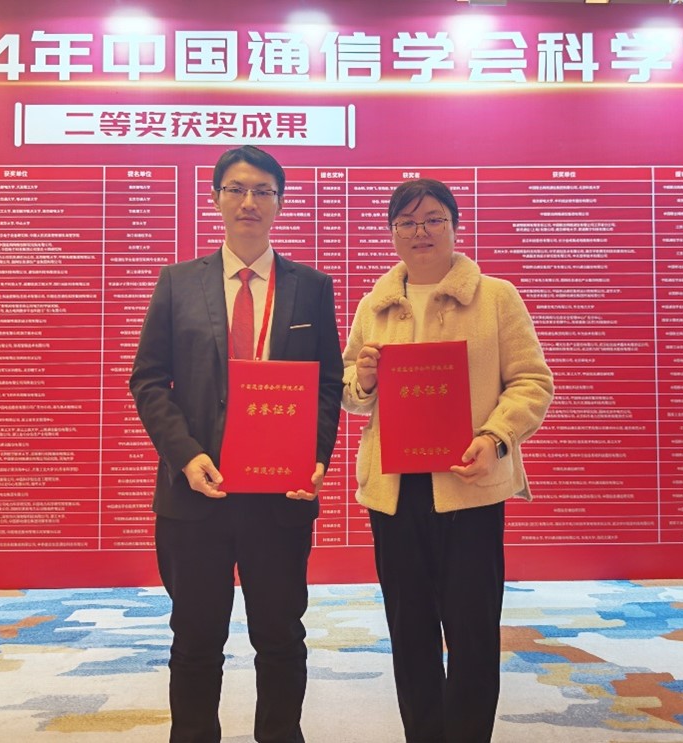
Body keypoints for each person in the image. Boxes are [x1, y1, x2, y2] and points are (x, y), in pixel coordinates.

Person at [130, 145, 343, 743]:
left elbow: (328, 384)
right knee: (196, 640)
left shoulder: (311, 288)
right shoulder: (178, 283)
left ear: (280, 202)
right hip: (196, 495)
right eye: (236, 189)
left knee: (281, 638)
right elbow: (148, 380)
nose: (249, 201)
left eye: (263, 191)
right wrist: (186, 454)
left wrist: (316, 458)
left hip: (279, 497)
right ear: (217, 198)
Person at [342, 178, 554, 742]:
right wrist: (363, 379)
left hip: (469, 485)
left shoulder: (497, 298)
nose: (422, 232)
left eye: (434, 219)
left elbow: (532, 382)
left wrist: (495, 437)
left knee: (472, 631)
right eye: (407, 222)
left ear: (455, 226)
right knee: (409, 630)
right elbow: (349, 389)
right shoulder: (374, 305)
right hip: (394, 491)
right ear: (393, 233)